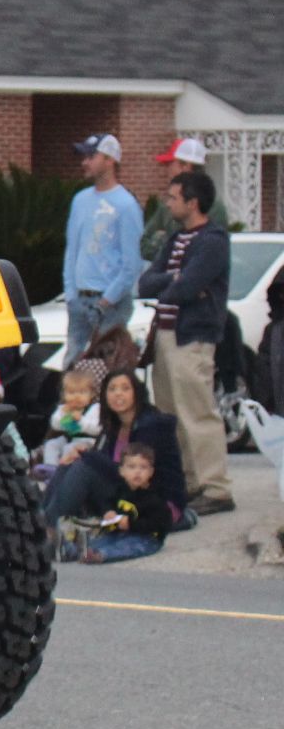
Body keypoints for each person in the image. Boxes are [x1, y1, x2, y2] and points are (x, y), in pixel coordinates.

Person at [139, 170, 234, 515]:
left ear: (193, 203)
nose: (168, 202)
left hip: (192, 337)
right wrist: (173, 278)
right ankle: (192, 483)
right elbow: (146, 284)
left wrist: (176, 282)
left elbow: (187, 287)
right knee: (171, 414)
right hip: (165, 335)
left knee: (197, 412)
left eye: (174, 197)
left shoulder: (212, 241)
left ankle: (216, 487)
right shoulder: (176, 239)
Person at [42, 369, 187, 529]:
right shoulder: (113, 427)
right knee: (70, 461)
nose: (118, 394)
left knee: (84, 465)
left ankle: (48, 527)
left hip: (155, 504)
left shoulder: (151, 425)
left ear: (136, 393)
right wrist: (80, 456)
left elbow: (135, 473)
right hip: (125, 495)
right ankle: (41, 521)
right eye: (112, 389)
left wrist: (90, 457)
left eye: (125, 388)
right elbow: (110, 469)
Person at [61, 134, 143, 364]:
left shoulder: (126, 205)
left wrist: (107, 300)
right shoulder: (80, 200)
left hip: (111, 303)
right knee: (72, 364)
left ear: (109, 160)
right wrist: (71, 294)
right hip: (80, 298)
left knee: (109, 365)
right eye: (83, 157)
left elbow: (131, 263)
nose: (84, 162)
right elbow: (72, 250)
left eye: (91, 156)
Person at [59, 443, 175, 564]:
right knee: (103, 541)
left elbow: (161, 523)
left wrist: (131, 524)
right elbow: (107, 502)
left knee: (128, 547)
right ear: (122, 471)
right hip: (118, 533)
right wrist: (108, 512)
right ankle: (72, 551)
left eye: (143, 467)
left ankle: (101, 555)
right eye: (132, 467)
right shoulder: (119, 489)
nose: (137, 472)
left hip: (147, 538)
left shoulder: (154, 496)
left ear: (151, 472)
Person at [140, 138, 227, 261]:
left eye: (170, 164)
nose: (167, 170)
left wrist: (165, 240)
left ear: (185, 166)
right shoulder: (167, 205)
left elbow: (211, 252)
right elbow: (145, 244)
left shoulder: (214, 207)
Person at [34, 368, 100, 478]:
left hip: (87, 441)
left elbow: (97, 429)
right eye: (71, 392)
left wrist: (81, 421)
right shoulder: (64, 409)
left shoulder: (94, 408)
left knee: (69, 448)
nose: (76, 397)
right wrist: (64, 417)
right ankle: (51, 469)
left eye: (82, 392)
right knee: (51, 444)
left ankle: (64, 473)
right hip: (69, 438)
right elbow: (55, 424)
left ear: (92, 394)